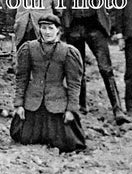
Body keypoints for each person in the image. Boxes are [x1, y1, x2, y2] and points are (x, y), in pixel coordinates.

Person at [55, 0, 130, 124]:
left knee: (105, 67)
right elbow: (58, 2)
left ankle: (117, 108)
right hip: (74, 27)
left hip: (94, 27)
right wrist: (62, 24)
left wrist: (107, 22)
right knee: (76, 68)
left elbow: (110, 1)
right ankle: (80, 105)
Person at [10, 14, 86, 153]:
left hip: (56, 103)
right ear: (39, 29)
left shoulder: (68, 52)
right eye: (43, 28)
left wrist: (71, 109)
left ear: (58, 30)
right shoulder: (29, 48)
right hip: (34, 103)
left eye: (51, 28)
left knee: (68, 143)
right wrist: (19, 104)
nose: (47, 32)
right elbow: (21, 78)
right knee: (23, 137)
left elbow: (74, 84)